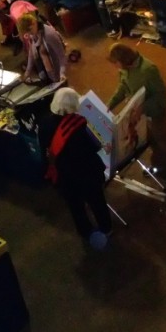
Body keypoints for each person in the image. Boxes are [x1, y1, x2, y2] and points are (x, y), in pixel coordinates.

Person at [39, 88, 113, 250]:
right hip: (87, 174)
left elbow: (44, 149)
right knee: (97, 202)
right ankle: (106, 229)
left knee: (76, 207)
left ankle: (86, 232)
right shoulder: (77, 125)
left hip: (65, 177)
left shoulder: (44, 124)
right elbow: (92, 147)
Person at [106, 43, 166, 185]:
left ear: (124, 59)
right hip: (139, 113)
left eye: (116, 63)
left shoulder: (149, 70)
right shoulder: (124, 69)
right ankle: (159, 165)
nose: (115, 66)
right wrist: (110, 104)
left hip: (156, 113)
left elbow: (160, 96)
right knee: (151, 140)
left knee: (165, 141)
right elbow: (123, 86)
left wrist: (143, 108)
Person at [18, 12, 66, 83]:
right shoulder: (32, 34)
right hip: (45, 70)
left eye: (30, 30)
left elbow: (62, 57)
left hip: (56, 70)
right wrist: (27, 72)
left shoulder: (49, 34)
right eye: (27, 32)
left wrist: (62, 73)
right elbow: (31, 53)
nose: (29, 34)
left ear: (34, 22)